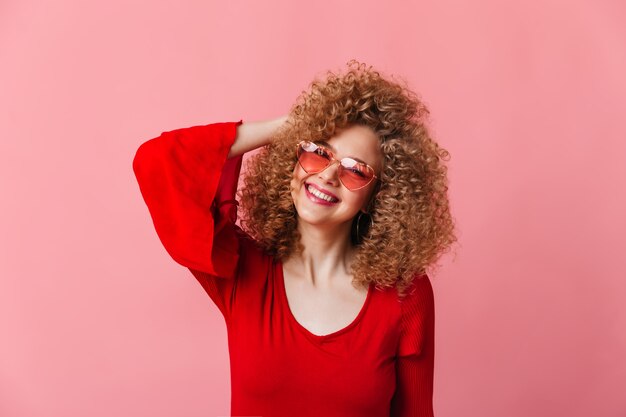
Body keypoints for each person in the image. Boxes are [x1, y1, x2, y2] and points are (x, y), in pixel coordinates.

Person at [133, 60, 457, 417]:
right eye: (318, 153)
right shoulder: (242, 270)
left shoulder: (404, 296)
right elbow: (156, 162)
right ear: (292, 163)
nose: (329, 175)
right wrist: (292, 127)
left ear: (377, 197)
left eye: (355, 170)